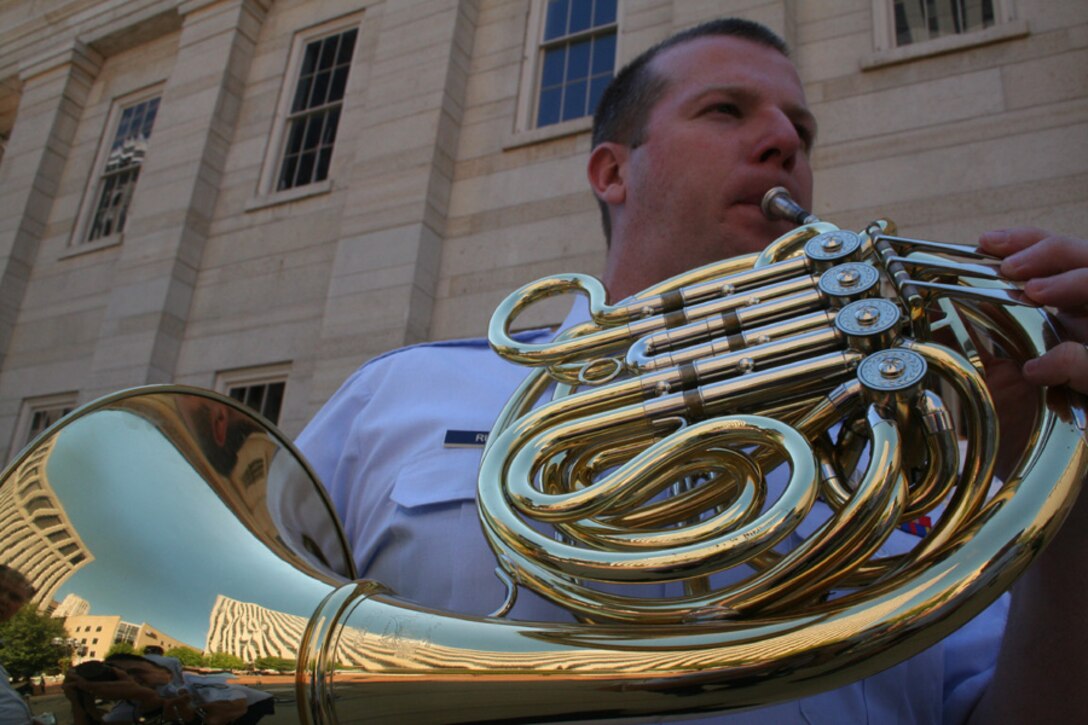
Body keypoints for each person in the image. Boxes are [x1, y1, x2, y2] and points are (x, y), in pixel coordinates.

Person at [296, 18, 1087, 724]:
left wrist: (1073, 479)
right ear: (612, 172)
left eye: (802, 130)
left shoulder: (919, 466)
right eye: (726, 110)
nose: (786, 142)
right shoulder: (397, 394)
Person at [62, 653, 274, 725]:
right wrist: (80, 701)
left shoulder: (196, 681)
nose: (132, 680)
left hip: (256, 703)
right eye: (117, 675)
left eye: (139, 672)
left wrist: (153, 702)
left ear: (168, 673)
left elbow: (231, 709)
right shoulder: (129, 701)